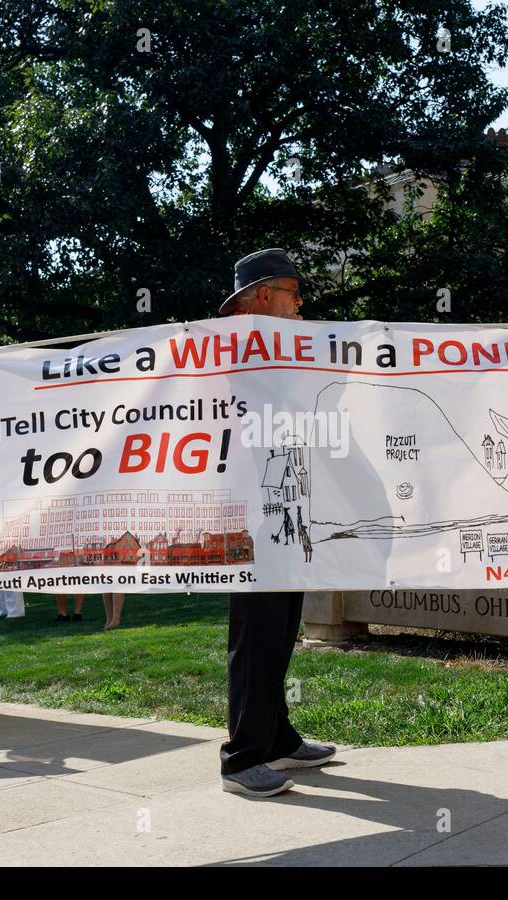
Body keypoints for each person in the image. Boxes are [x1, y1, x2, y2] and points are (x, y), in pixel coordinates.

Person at [216, 248, 336, 797]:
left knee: (282, 627)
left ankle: (277, 738)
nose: (300, 302)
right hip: (249, 512)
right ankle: (242, 758)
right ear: (263, 294)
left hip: (286, 505)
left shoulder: (281, 345)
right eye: (292, 291)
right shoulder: (230, 345)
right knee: (256, 633)